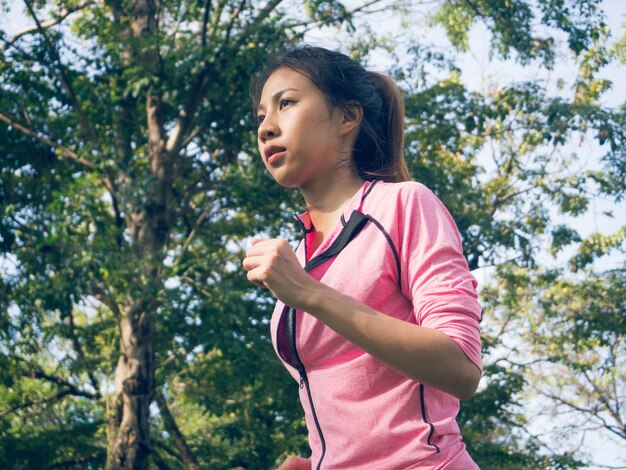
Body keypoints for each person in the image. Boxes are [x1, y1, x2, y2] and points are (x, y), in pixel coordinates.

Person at [243, 45, 482, 470]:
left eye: (286, 103)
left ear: (347, 117)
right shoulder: (301, 257)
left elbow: (460, 367)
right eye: (261, 116)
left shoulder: (405, 205)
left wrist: (309, 293)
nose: (266, 128)